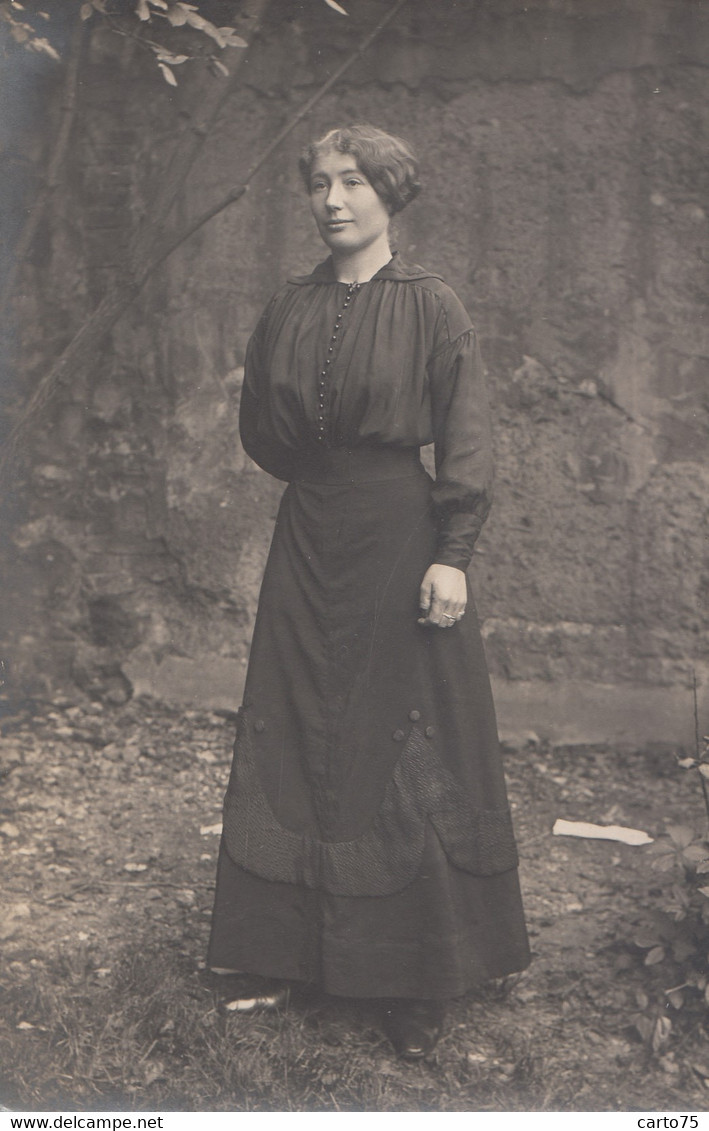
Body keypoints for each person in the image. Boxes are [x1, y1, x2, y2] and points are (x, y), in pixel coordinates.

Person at [207, 124, 530, 1059]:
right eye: (318, 183)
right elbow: (260, 430)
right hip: (308, 531)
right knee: (297, 720)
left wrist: (452, 552)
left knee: (401, 727)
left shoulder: (433, 306)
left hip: (401, 531)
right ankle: (290, 949)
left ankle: (416, 972)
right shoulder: (289, 304)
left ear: (389, 194)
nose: (333, 199)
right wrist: (319, 468)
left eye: (352, 182)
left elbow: (466, 438)